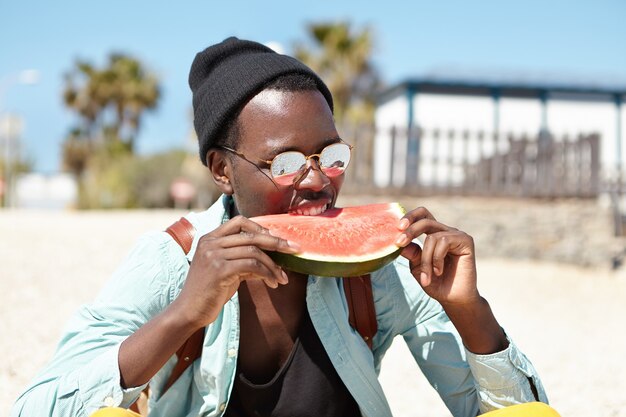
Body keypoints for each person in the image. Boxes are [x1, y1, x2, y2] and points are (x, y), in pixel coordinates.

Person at [11, 37, 553, 417]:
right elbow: (38, 406)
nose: (317, 181)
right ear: (223, 170)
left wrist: (467, 310)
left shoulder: (378, 267)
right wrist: (184, 314)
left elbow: (512, 410)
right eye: (286, 164)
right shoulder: (172, 259)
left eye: (331, 155)